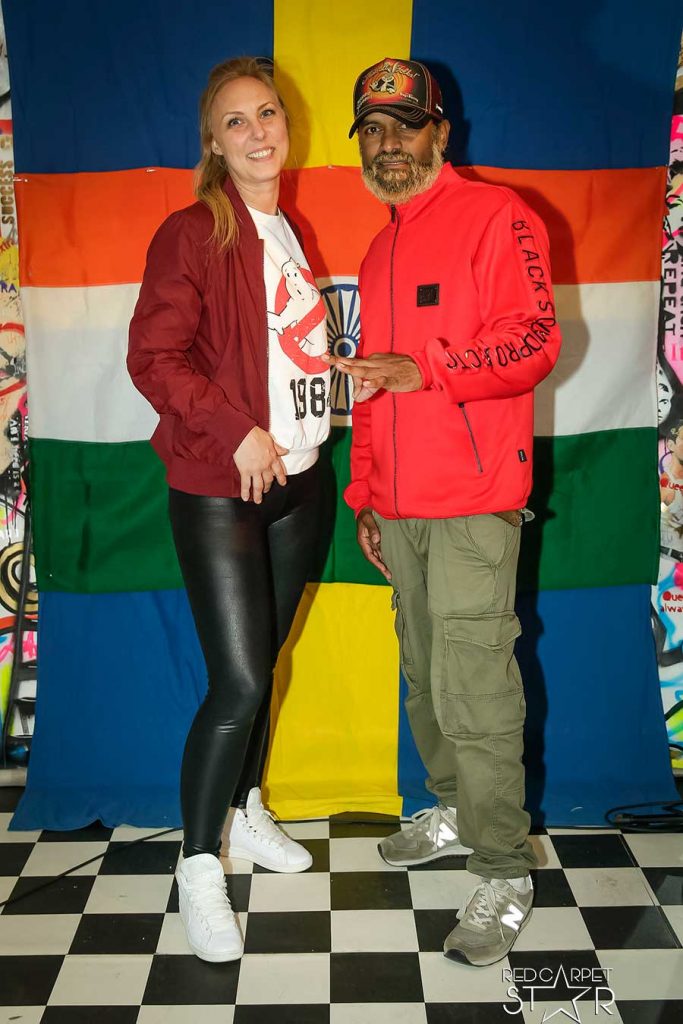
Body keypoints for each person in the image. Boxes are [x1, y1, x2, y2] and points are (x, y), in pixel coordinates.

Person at [326, 57, 562, 967]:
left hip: (471, 501)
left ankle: (504, 867)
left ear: (440, 133)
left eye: (405, 125)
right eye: (373, 130)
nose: (388, 144)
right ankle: (457, 811)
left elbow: (534, 341)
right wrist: (365, 494)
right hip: (401, 507)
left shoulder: (499, 215)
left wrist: (428, 367)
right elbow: (372, 388)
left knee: (475, 687)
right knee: (425, 676)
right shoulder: (378, 248)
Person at [128, 57, 330, 963]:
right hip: (222, 484)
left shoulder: (289, 229)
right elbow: (154, 358)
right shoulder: (192, 231)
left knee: (268, 663)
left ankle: (246, 811)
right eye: (236, 121)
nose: (257, 132)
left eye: (268, 113)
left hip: (300, 481)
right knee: (240, 682)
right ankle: (198, 864)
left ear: (287, 125)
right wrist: (236, 430)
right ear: (213, 142)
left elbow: (281, 352)